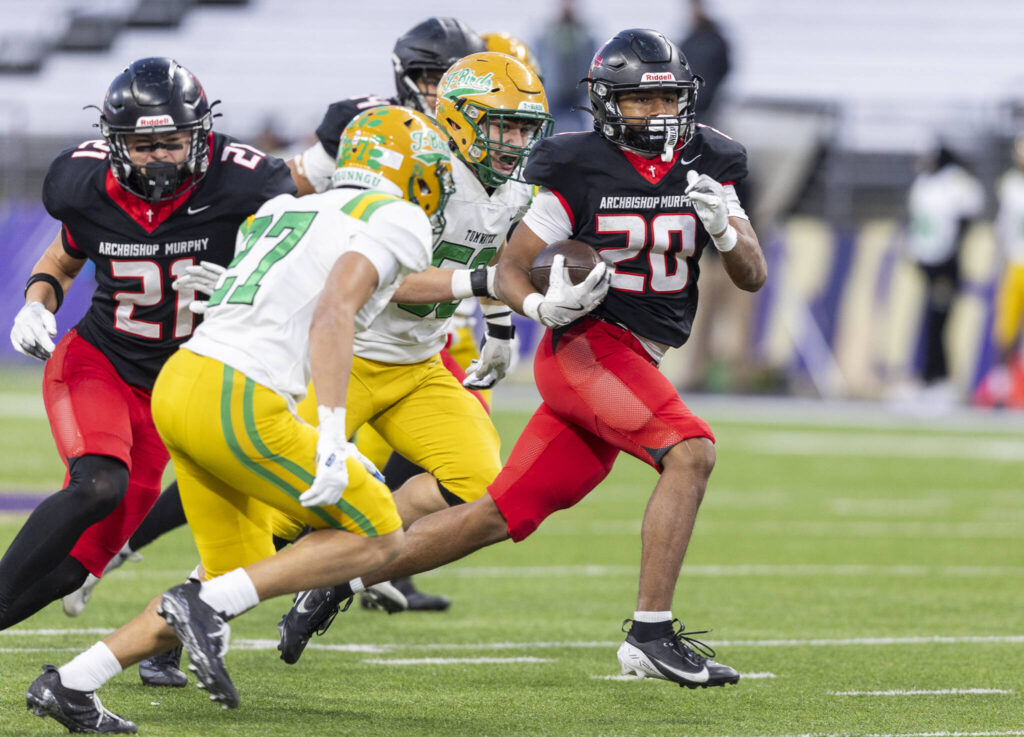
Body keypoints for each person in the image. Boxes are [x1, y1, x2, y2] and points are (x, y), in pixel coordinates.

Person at [278, 28, 765, 689]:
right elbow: (511, 263)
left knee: (494, 515)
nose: (658, 114)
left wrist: (725, 227)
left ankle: (341, 575)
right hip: (589, 349)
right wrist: (535, 310)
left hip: (639, 360)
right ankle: (651, 633)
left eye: (669, 99)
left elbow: (752, 274)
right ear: (608, 103)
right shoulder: (574, 163)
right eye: (641, 102)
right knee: (691, 451)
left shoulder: (713, 157)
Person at [25, 104, 452, 734]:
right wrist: (332, 438)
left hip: (183, 384)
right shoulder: (399, 217)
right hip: (239, 396)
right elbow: (334, 311)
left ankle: (71, 682)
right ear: (416, 170)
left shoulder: (288, 209)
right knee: (382, 533)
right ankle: (198, 607)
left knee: (238, 567)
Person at [80, 17, 491, 616]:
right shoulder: (368, 126)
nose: (437, 90)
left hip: (415, 345)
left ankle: (350, 571)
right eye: (429, 76)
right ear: (406, 74)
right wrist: (260, 273)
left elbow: (491, 238)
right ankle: (163, 588)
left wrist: (500, 319)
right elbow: (291, 191)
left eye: (450, 78)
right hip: (340, 335)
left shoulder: (481, 144)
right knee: (263, 480)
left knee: (389, 480)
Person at [2, 57, 295, 646]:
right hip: (102, 362)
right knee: (98, 485)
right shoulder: (82, 185)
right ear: (114, 143)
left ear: (200, 135)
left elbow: (298, 267)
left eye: (173, 140)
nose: (160, 155)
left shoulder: (247, 183)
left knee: (75, 567)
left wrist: (244, 285)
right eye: (143, 143)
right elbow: (63, 258)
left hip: (181, 390)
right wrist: (37, 304)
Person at [275, 50, 554, 653]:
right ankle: (177, 619)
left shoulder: (513, 189)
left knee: (479, 485)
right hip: (347, 358)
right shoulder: (423, 173)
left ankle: (333, 572)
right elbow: (387, 277)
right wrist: (482, 288)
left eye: (526, 129)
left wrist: (500, 330)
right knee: (277, 514)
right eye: (503, 125)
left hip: (417, 365)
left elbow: (499, 263)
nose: (515, 141)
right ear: (457, 119)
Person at [901, 143, 984, 402]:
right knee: (930, 321)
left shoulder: (955, 183)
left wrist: (950, 256)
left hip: (945, 264)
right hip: (927, 262)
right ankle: (930, 377)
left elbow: (965, 218)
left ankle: (940, 378)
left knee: (939, 321)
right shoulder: (925, 184)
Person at [531, 0, 595, 132]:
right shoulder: (546, 35)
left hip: (577, 94)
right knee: (551, 130)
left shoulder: (586, 35)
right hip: (554, 93)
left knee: (579, 133)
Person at [679, 0, 731, 122]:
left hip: (707, 100)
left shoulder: (715, 39)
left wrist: (710, 89)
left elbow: (725, 68)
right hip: (689, 98)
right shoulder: (689, 39)